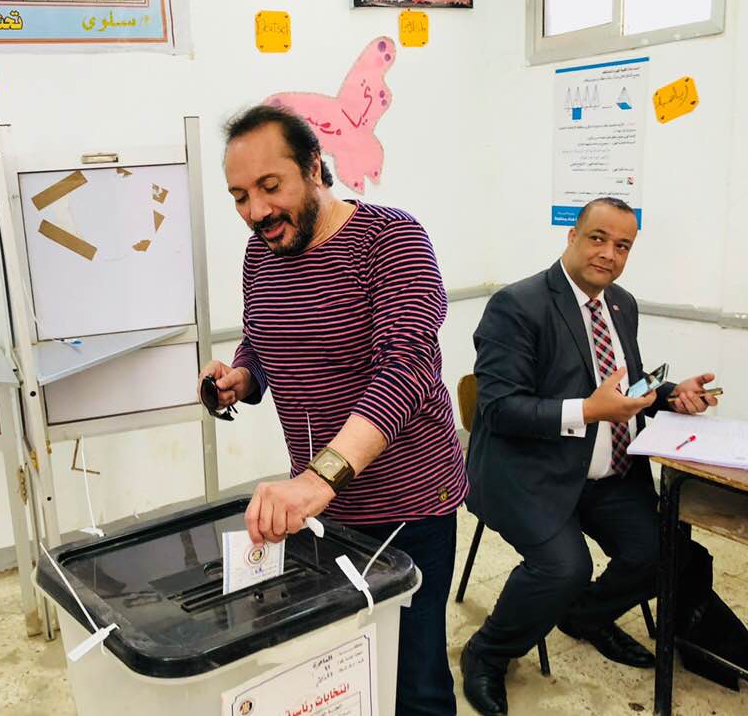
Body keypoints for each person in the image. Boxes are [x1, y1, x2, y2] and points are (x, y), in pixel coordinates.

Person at [198, 104, 468, 716]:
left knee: (415, 679)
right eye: (239, 196)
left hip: (407, 507)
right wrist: (242, 376)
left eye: (271, 186)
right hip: (322, 511)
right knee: (341, 670)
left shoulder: (391, 241)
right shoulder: (262, 254)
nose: (256, 212)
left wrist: (319, 478)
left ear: (315, 167)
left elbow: (406, 369)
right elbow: (263, 338)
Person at [459, 197, 748, 715]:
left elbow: (625, 386)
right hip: (528, 474)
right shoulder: (516, 305)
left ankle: (584, 616)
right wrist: (589, 410)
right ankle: (488, 652)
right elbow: (499, 409)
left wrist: (669, 395)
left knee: (665, 549)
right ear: (572, 236)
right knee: (565, 567)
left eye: (623, 246)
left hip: (605, 474)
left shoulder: (621, 304)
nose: (609, 254)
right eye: (598, 238)